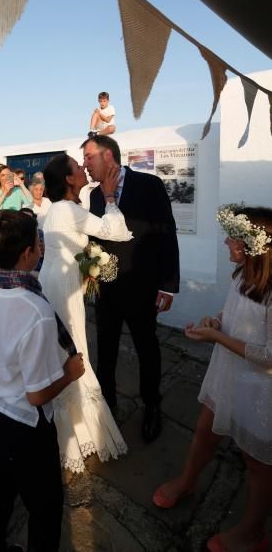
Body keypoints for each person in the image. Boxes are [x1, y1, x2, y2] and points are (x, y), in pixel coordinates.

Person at [153, 205, 272, 552]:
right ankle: (188, 481)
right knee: (206, 431)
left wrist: (217, 339)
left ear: (254, 245)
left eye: (232, 238)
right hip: (228, 372)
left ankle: (253, 532)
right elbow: (234, 312)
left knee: (258, 463)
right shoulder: (242, 275)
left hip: (259, 390)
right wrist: (216, 322)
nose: (225, 243)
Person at [0, 210, 85, 552]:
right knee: (46, 508)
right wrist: (70, 374)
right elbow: (37, 395)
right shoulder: (35, 310)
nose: (40, 246)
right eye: (38, 242)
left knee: (0, 490)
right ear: (27, 253)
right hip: (23, 427)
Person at [39, 153, 132, 472]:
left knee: (61, 349)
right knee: (75, 349)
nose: (82, 168)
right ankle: (81, 428)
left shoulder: (56, 209)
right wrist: (109, 195)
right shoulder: (67, 209)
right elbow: (114, 231)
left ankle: (66, 422)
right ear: (68, 179)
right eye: (77, 168)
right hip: (64, 287)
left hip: (55, 280)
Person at [83, 134, 179, 442]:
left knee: (146, 349)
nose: (85, 164)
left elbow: (167, 233)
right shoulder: (96, 195)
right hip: (108, 289)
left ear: (108, 156)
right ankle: (107, 405)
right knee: (106, 351)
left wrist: (169, 286)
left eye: (89, 157)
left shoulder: (149, 185)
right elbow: (96, 239)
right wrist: (90, 272)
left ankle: (152, 406)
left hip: (142, 288)